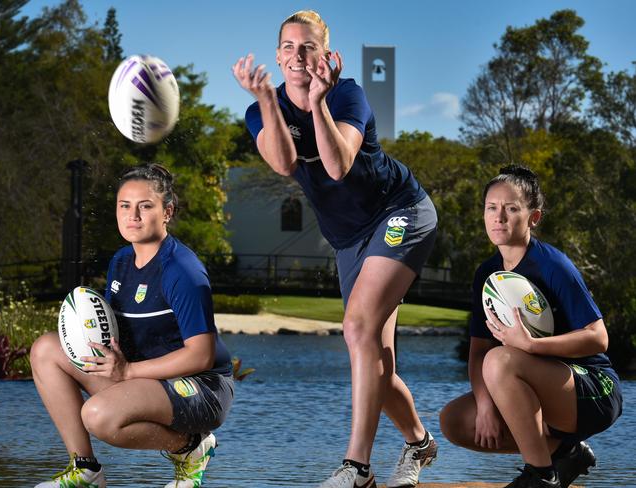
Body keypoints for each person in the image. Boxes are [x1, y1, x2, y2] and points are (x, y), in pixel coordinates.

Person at [233, 10, 438, 488]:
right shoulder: (260, 109)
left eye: (307, 47)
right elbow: (284, 163)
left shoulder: (348, 94)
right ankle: (419, 443)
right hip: (348, 239)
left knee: (355, 328)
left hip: (399, 213)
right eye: (288, 46)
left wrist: (319, 102)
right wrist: (265, 99)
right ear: (277, 55)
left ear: (324, 54)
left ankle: (356, 468)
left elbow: (339, 164)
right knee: (374, 360)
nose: (297, 56)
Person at [30, 163, 234, 488]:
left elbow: (201, 356)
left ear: (167, 211)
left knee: (98, 416)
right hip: (143, 375)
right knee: (45, 349)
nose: (132, 215)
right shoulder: (122, 261)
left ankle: (191, 448)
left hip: (199, 387)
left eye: (145, 206)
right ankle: (85, 471)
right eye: (124, 205)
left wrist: (127, 373)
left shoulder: (182, 270)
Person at [439, 165, 623, 488]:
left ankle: (541, 476)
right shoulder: (487, 274)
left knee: (499, 362)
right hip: (545, 388)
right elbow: (478, 349)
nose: (499, 217)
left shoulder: (552, 266)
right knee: (454, 421)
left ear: (533, 218)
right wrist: (484, 404)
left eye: (511, 209)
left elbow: (599, 337)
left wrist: (531, 345)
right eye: (491, 208)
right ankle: (564, 453)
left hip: (593, 390)